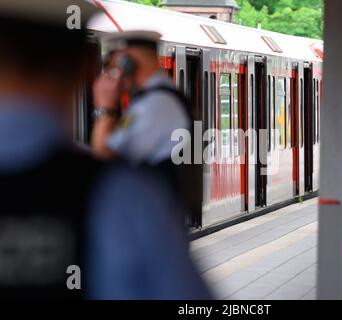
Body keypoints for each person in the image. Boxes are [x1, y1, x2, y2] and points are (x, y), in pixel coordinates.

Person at [0, 0, 209, 300]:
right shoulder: (121, 195)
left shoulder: (157, 105)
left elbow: (104, 148)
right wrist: (106, 106)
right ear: (81, 67)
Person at [91, 31, 199, 225]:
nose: (112, 73)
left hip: (154, 220)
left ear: (128, 62)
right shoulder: (158, 99)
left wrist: (105, 108)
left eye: (114, 66)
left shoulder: (155, 105)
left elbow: (105, 155)